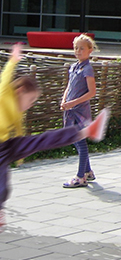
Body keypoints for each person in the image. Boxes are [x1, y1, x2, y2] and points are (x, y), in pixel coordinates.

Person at [0, 44, 109, 226]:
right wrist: (13, 59)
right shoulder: (4, 93)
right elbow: (5, 76)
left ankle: (86, 131)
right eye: (31, 100)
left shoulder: (18, 111)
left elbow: (19, 131)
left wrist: (21, 155)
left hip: (5, 145)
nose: (30, 105)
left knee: (42, 140)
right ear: (20, 92)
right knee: (2, 182)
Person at [60, 34, 98, 188]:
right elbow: (69, 86)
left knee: (80, 143)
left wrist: (73, 103)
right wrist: (64, 100)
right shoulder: (74, 66)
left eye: (82, 48)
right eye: (76, 48)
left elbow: (91, 92)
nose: (78, 51)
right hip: (70, 110)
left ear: (90, 50)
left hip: (80, 113)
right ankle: (88, 171)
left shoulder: (88, 69)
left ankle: (81, 176)